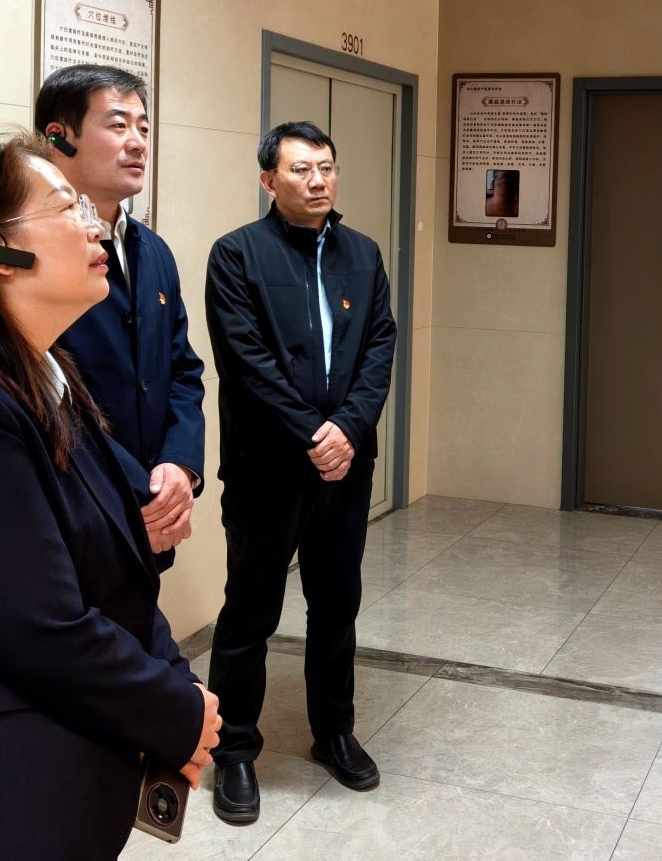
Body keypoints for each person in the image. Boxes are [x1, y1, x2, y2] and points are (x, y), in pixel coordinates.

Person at [0, 133, 221, 860]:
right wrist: (176, 713)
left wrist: (178, 685)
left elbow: (119, 570)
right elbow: (44, 628)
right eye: (65, 207)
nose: (93, 227)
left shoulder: (44, 377)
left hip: (60, 769)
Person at [204, 120, 397, 822]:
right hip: (267, 467)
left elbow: (379, 345)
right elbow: (245, 360)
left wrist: (348, 429)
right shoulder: (237, 255)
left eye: (326, 167)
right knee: (250, 611)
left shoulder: (362, 253)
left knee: (336, 603)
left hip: (345, 465)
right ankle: (232, 750)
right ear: (268, 180)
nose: (317, 181)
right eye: (300, 169)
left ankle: (334, 731)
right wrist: (313, 432)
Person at [40, 64, 206, 567]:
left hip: (152, 508)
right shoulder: (33, 254)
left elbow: (182, 371)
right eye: (117, 125)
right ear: (58, 137)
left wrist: (179, 466)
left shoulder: (153, 251)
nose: (137, 142)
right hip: (72, 515)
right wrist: (138, 493)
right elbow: (38, 393)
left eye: (144, 128)